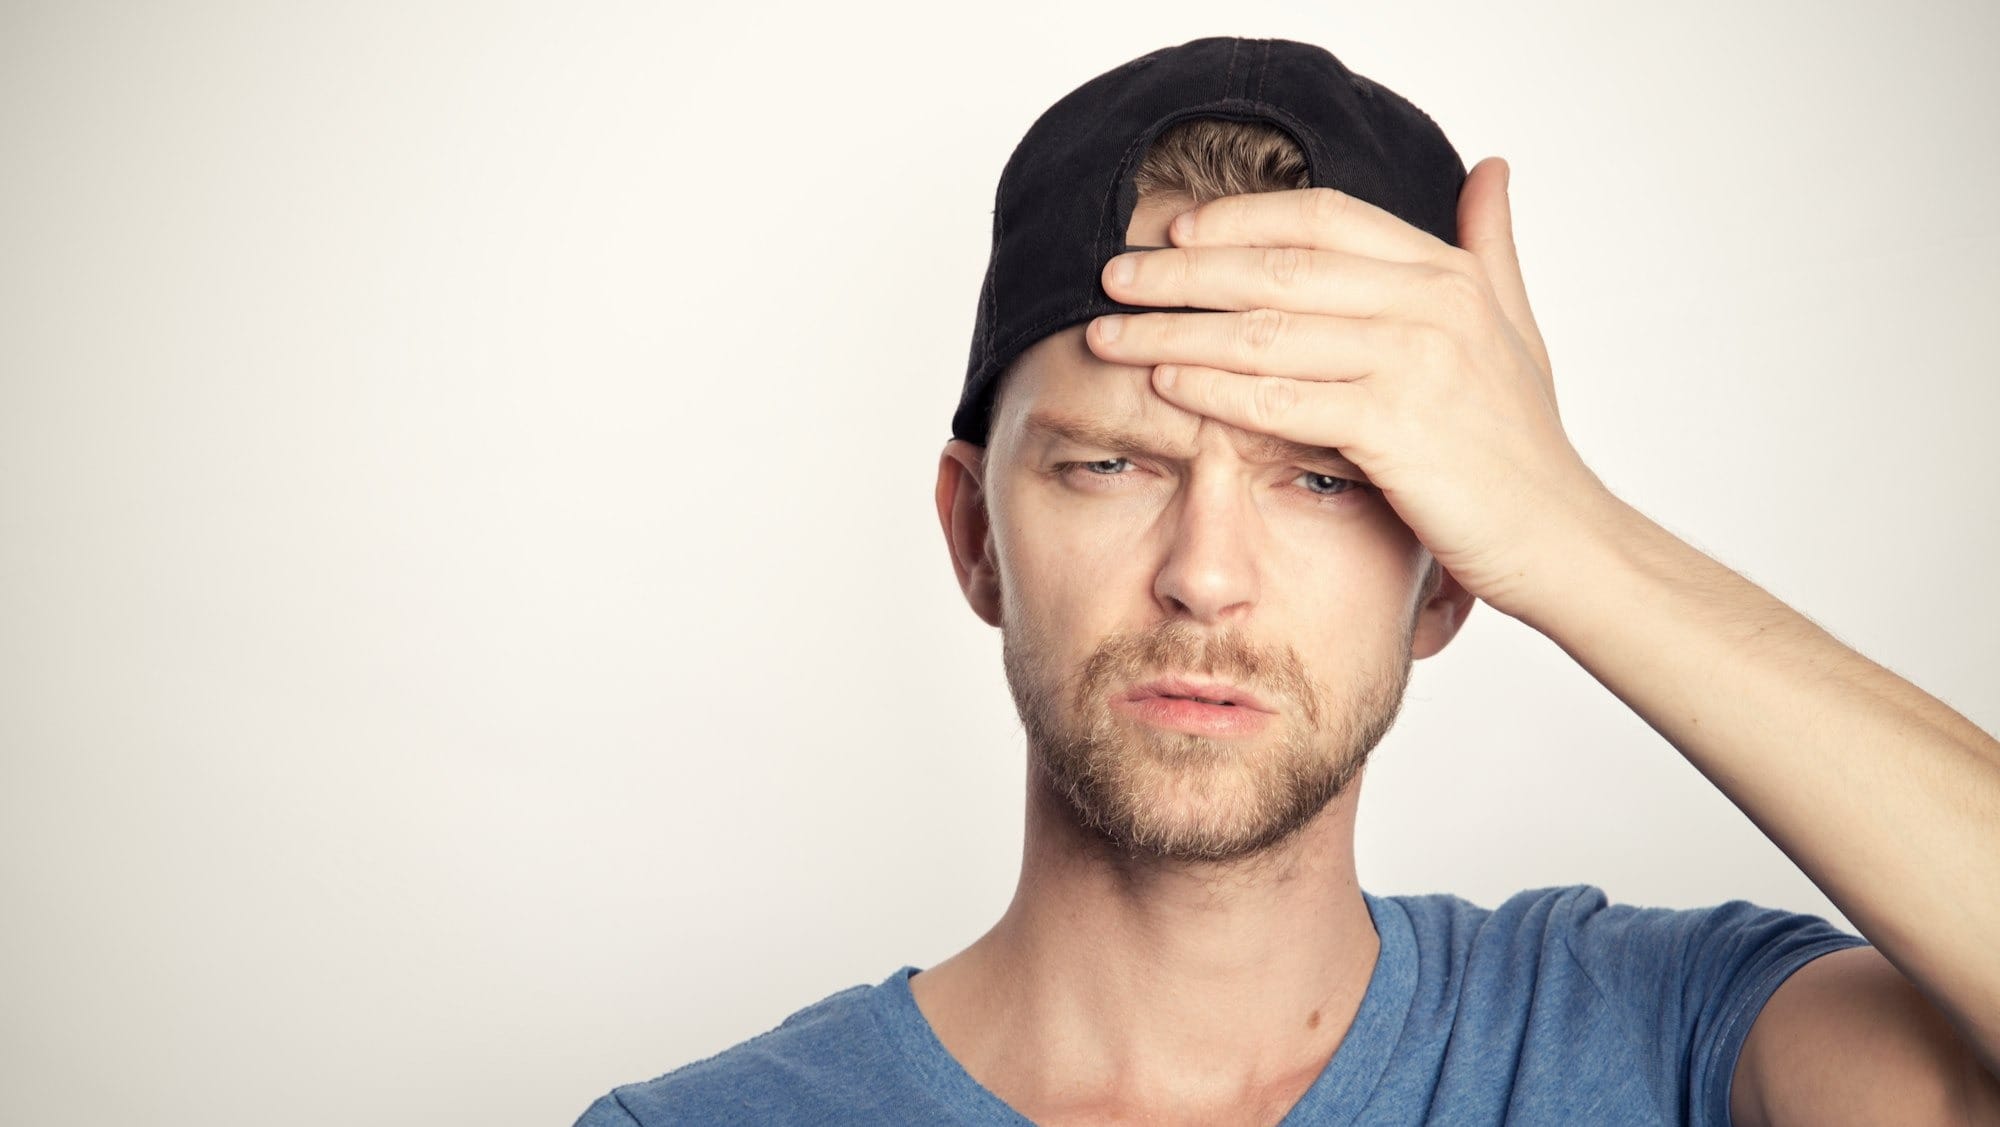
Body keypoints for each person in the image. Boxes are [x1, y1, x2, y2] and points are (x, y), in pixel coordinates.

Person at [575, 36, 2000, 1126]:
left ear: (1447, 582)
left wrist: (1571, 532)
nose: (1204, 576)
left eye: (1322, 481)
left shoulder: (1667, 1041)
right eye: (1110, 465)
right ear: (975, 538)